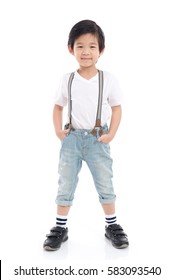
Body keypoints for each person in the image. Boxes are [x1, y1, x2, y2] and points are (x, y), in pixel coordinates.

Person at [43, 19, 129, 251]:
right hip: (71, 139)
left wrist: (111, 134)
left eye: (92, 46)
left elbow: (117, 107)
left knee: (104, 181)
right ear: (71, 49)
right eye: (80, 46)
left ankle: (111, 225)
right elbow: (58, 106)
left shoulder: (108, 79)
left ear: (101, 50)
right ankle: (60, 227)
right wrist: (58, 131)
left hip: (97, 138)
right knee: (66, 182)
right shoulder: (67, 79)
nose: (86, 51)